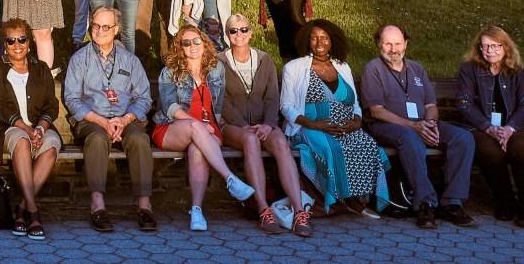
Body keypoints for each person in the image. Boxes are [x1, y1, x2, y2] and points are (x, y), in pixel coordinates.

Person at [361, 24, 476, 229]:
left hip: (420, 124)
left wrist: (430, 124)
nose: (393, 49)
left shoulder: (417, 68)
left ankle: (452, 203)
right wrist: (414, 126)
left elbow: (430, 106)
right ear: (379, 44)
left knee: (463, 138)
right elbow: (377, 111)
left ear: (406, 44)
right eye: (388, 44)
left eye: (398, 43)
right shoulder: (373, 69)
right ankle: (425, 203)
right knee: (409, 137)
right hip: (387, 126)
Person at [152, 25, 257, 231]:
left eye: (196, 41)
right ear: (180, 47)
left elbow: (219, 104)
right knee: (194, 127)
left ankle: (197, 211)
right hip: (173, 127)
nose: (192, 46)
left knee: (197, 149)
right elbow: (170, 107)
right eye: (186, 43)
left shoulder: (216, 69)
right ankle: (229, 178)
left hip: (209, 130)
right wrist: (200, 125)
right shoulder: (170, 72)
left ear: (204, 43)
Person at [281, 19, 390, 216]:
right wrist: (313, 124)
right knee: (332, 149)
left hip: (345, 127)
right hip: (308, 128)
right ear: (307, 41)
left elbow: (354, 103)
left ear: (332, 42)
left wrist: (356, 121)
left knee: (368, 146)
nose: (319, 42)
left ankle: (359, 198)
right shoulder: (294, 67)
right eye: (314, 38)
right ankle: (341, 200)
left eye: (325, 38)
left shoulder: (342, 67)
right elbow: (286, 106)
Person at [63, 6, 156, 232]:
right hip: (92, 120)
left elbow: (144, 97)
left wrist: (125, 119)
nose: (100, 31)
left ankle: (144, 205)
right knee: (96, 139)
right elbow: (72, 98)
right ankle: (97, 204)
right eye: (96, 26)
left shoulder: (130, 60)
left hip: (126, 118)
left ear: (116, 30)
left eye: (106, 27)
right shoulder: (79, 59)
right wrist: (101, 121)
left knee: (139, 140)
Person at [219, 13, 311, 236]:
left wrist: (269, 125)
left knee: (280, 142)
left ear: (250, 32)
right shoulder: (218, 62)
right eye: (233, 30)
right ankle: (263, 209)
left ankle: (299, 211)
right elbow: (221, 99)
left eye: (244, 29)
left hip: (264, 124)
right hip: (233, 125)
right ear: (227, 35)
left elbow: (272, 97)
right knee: (251, 140)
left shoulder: (264, 59)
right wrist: (243, 125)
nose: (239, 34)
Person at [456, 26, 524, 227]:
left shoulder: (518, 71)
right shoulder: (469, 70)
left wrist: (509, 129)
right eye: (485, 46)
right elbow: (464, 104)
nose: (489, 50)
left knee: (522, 149)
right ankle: (505, 202)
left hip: (514, 127)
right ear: (479, 48)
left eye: (495, 46)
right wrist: (489, 128)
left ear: (505, 47)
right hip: (482, 127)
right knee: (489, 151)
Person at [0, 18, 59, 239]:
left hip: (37, 126)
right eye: (11, 41)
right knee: (22, 141)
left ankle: (21, 209)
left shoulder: (41, 68)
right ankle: (33, 212)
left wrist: (41, 129)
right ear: (4, 44)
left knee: (52, 144)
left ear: (29, 42)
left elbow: (51, 105)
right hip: (6, 127)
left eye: (22, 39)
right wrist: (26, 128)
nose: (17, 45)